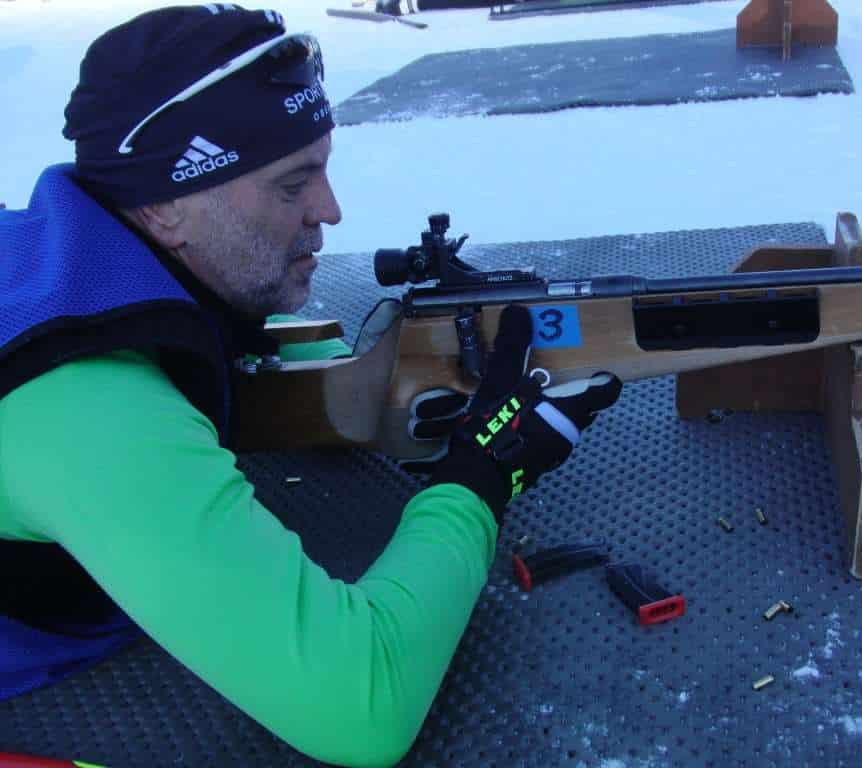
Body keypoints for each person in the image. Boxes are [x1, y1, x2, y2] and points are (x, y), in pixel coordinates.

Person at [0, 5, 621, 766]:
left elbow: (214, 342)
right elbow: (362, 705)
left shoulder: (74, 255)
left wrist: (367, 384)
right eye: (292, 184)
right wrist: (481, 475)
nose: (330, 210)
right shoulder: (84, 402)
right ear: (164, 206)